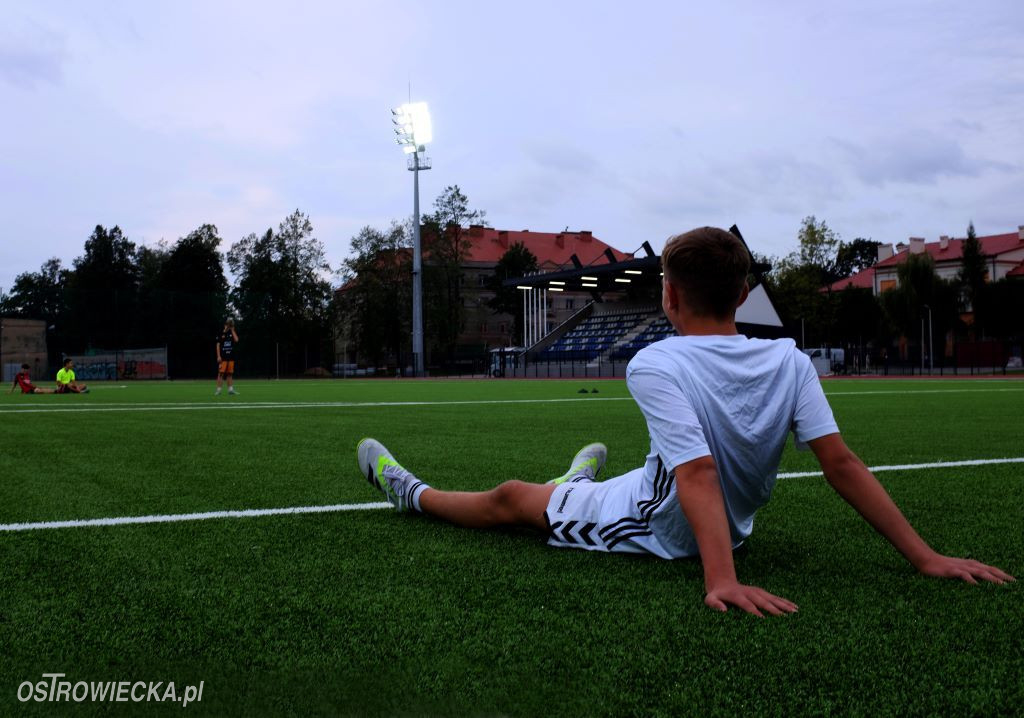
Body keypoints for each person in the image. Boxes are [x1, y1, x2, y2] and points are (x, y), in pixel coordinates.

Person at [355, 226, 1013, 617]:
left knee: (509, 499)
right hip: (700, 516)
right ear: (742, 296)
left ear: (668, 295)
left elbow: (696, 472)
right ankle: (574, 483)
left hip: (656, 527)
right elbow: (840, 463)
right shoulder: (790, 358)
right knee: (559, 493)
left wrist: (719, 579)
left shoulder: (655, 362)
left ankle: (411, 494)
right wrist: (924, 558)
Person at [215, 318, 239, 396]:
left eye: (230, 324)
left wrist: (232, 330)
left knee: (230, 374)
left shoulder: (231, 333)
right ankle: (218, 390)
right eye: (228, 324)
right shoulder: (221, 333)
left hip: (231, 357)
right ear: (225, 325)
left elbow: (236, 340)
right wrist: (218, 356)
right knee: (221, 374)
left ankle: (230, 390)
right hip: (223, 357)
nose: (229, 326)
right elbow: (218, 345)